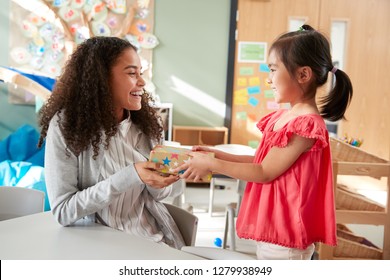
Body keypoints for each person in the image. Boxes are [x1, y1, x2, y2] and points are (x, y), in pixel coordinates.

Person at [174, 24, 353, 259]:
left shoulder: (305, 125)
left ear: (303, 74)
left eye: (273, 69)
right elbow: (260, 161)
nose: (268, 79)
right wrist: (214, 154)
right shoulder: (286, 117)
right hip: (275, 229)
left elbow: (264, 171)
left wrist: (212, 165)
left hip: (286, 235)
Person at [37, 36, 185, 249]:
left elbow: (159, 197)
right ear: (101, 78)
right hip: (95, 249)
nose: (141, 82)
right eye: (132, 73)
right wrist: (132, 175)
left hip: (150, 242)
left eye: (140, 73)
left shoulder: (147, 125)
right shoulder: (67, 126)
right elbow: (63, 211)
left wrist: (159, 181)